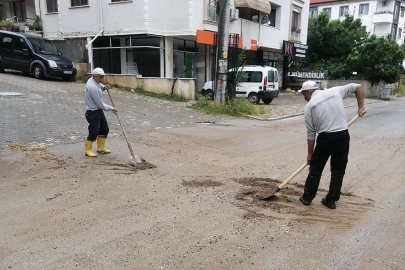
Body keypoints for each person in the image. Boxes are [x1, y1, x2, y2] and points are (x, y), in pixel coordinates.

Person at [298, 81, 366, 209]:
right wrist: (361, 106)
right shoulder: (335, 91)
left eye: (303, 94)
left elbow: (311, 134)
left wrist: (310, 154)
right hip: (342, 136)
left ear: (308, 91)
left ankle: (307, 197)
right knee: (338, 170)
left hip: (325, 138)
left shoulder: (309, 107)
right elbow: (358, 86)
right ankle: (331, 200)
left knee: (316, 168)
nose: (304, 98)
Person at [84, 68, 118, 157]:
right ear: (94, 76)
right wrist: (111, 108)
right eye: (100, 77)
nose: (101, 79)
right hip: (92, 112)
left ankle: (100, 148)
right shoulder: (92, 87)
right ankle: (88, 150)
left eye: (102, 77)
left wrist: (103, 87)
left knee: (104, 129)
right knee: (94, 131)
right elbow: (100, 104)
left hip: (98, 111)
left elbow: (99, 85)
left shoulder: (94, 81)